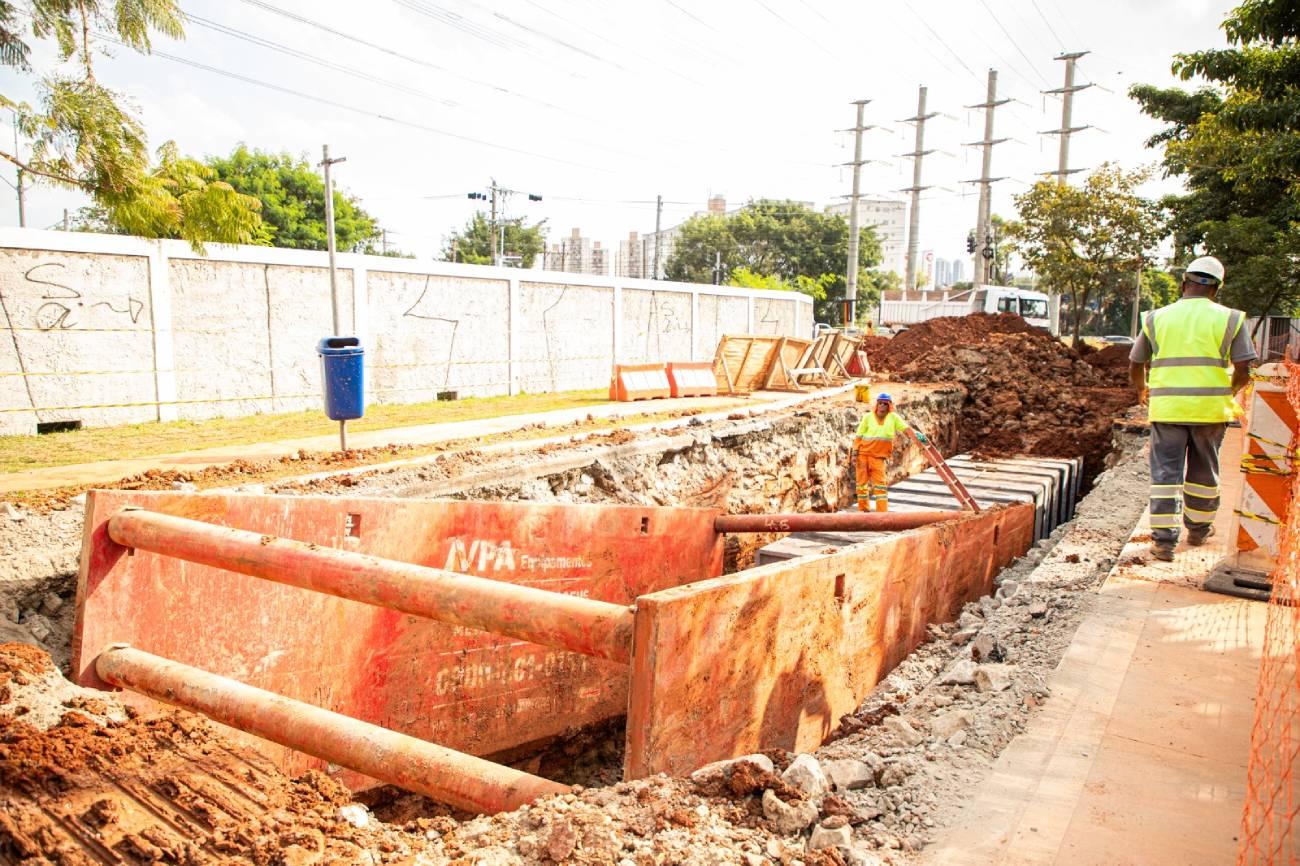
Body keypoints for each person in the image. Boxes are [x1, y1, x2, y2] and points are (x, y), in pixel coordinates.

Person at [1128, 255, 1256, 562]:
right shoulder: (1230, 319)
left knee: (1165, 477)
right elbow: (1244, 368)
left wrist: (1142, 390)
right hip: (1210, 412)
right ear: (1217, 288)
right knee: (1204, 473)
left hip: (1168, 409)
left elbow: (1136, 362)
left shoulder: (1157, 317)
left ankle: (1163, 543)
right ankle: (1198, 531)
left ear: (1184, 282)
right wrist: (1230, 391)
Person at [853, 393, 927, 512]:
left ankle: (882, 514)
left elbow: (905, 428)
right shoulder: (868, 417)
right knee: (861, 486)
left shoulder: (893, 418)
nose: (882, 406)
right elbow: (859, 436)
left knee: (881, 487)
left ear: (889, 406)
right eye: (880, 403)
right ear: (877, 404)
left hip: (878, 458)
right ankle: (863, 511)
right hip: (863, 455)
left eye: (885, 404)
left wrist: (916, 434)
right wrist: (854, 453)